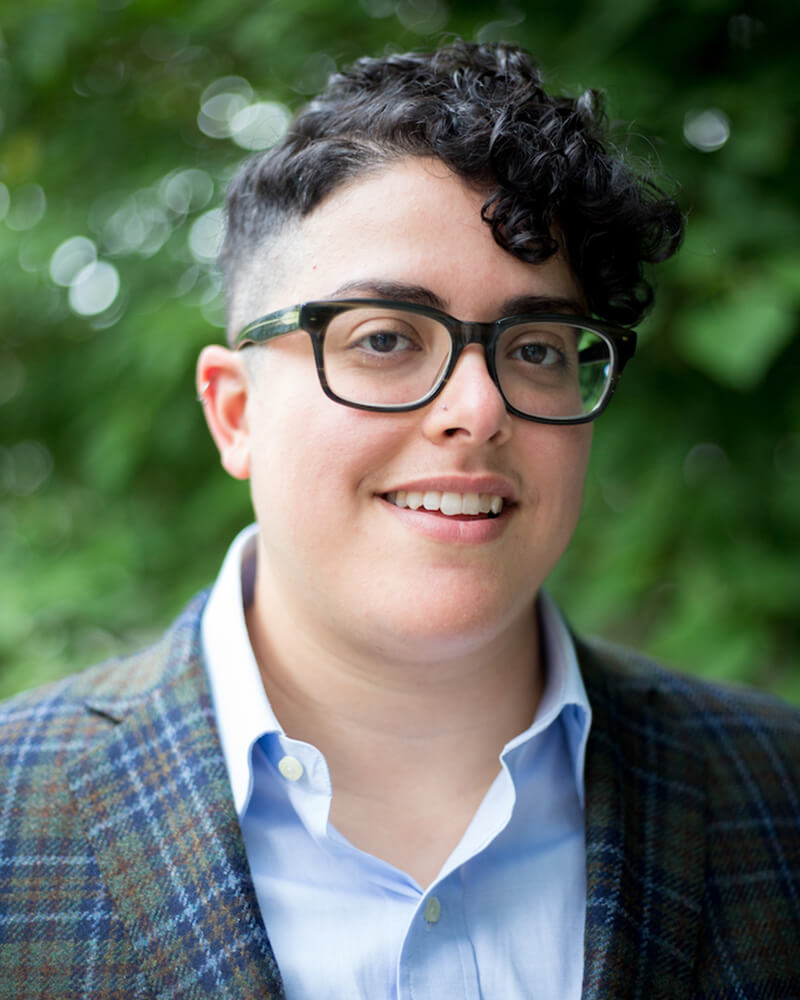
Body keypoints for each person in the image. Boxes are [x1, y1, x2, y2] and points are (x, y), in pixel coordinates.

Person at [0, 40, 798, 1000]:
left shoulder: (778, 787)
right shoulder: (14, 805)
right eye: (384, 338)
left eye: (538, 347)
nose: (480, 407)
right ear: (235, 412)